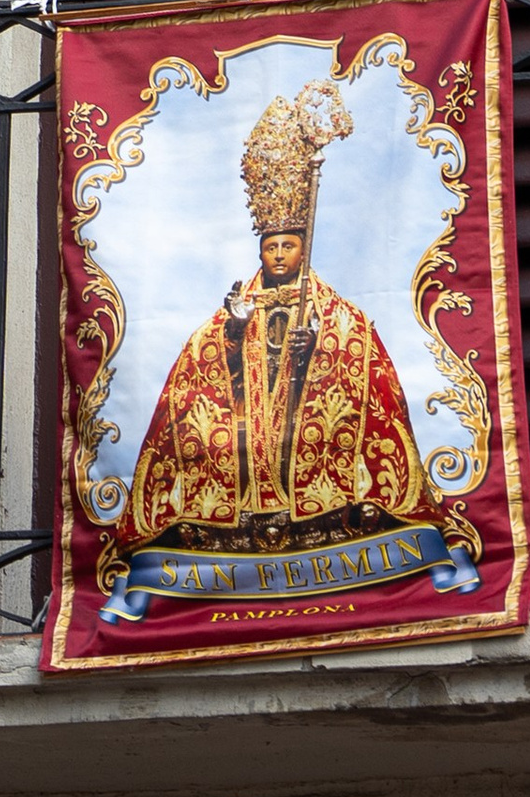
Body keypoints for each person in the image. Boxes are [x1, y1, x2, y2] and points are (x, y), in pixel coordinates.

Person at [123, 81, 457, 555]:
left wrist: (318, 345)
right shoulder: (240, 302)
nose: (279, 255)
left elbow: (359, 351)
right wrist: (234, 332)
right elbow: (202, 369)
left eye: (288, 245)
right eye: (271, 246)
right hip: (248, 436)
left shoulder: (333, 310)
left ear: (303, 247)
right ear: (260, 249)